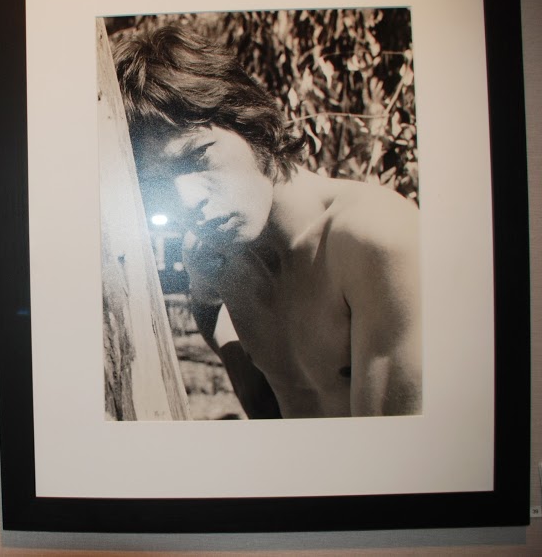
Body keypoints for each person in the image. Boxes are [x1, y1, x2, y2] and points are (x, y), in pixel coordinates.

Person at [113, 26, 421, 419]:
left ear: (248, 121)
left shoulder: (372, 237)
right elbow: (206, 304)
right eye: (159, 182)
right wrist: (247, 384)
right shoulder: (214, 255)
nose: (187, 200)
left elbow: (393, 458)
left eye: (198, 156)